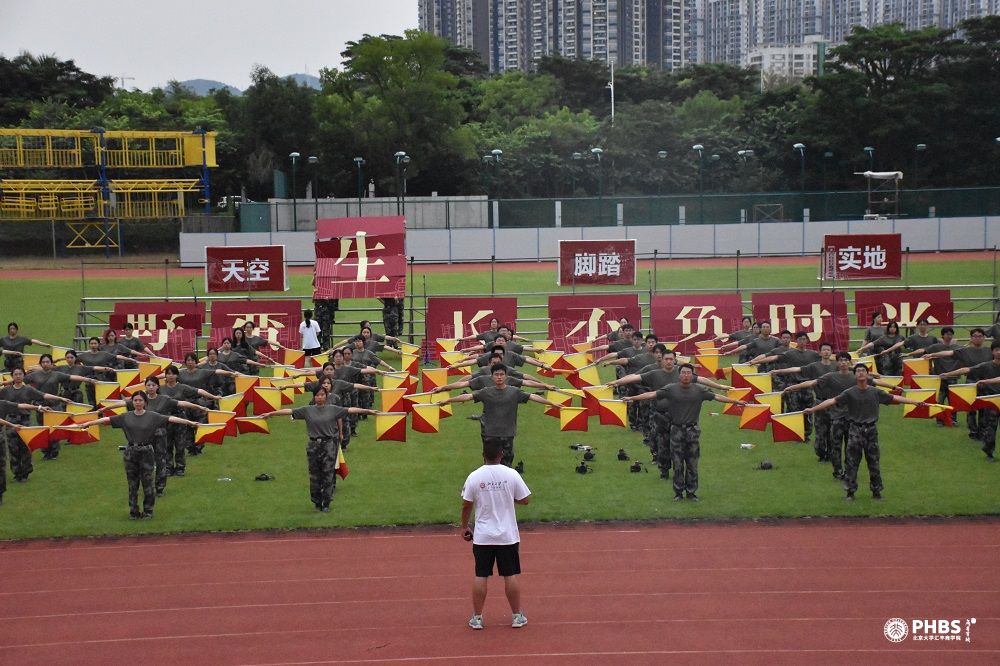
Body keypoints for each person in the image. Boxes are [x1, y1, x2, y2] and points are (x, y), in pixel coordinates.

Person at [805, 364, 930, 500]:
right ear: (855, 375)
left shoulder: (875, 392)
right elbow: (831, 401)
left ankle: (876, 492)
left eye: (863, 371)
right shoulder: (849, 392)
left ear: (867, 374)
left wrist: (915, 402)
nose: (860, 373)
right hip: (855, 430)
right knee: (852, 463)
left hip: (871, 430)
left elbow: (895, 399)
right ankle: (850, 492)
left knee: (874, 462)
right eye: (857, 371)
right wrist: (813, 410)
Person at [625, 363, 747, 501]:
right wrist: (632, 398)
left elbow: (717, 397)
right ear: (679, 374)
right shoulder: (671, 389)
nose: (686, 375)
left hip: (692, 430)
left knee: (692, 464)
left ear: (692, 375)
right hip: (676, 429)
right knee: (677, 464)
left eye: (689, 373)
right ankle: (678, 493)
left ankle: (691, 492)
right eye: (683, 373)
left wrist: (735, 401)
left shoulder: (699, 390)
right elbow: (652, 394)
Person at [72, 391, 199, 519]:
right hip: (131, 452)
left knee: (147, 483)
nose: (138, 403)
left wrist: (190, 423)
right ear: (132, 402)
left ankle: (148, 512)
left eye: (140, 400)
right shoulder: (125, 417)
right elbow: (106, 420)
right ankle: (133, 511)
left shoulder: (153, 416)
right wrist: (89, 423)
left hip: (147, 452)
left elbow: (171, 419)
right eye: (135, 400)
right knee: (132, 484)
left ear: (145, 402)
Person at [263, 387, 376, 512]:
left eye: (322, 395)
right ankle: (317, 502)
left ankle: (326, 503)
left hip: (329, 445)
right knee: (314, 476)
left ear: (326, 396)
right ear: (314, 397)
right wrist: (270, 414)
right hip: (313, 446)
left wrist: (369, 411)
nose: (320, 397)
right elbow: (289, 411)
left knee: (328, 474)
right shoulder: (307, 410)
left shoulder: (333, 409)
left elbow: (351, 410)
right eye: (317, 395)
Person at [460, 436, 531, 630]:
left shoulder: (474, 476)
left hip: (483, 536)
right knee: (510, 574)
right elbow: (525, 499)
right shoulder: (511, 474)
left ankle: (477, 617)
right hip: (507, 535)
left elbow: (466, 504)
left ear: (483, 455)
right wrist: (510, 497)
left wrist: (464, 526)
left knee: (481, 575)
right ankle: (517, 615)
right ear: (502, 454)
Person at [436, 363, 563, 467]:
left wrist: (551, 403)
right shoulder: (485, 392)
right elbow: (467, 396)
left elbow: (533, 396)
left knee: (506, 464)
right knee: (489, 464)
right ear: (492, 377)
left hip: (507, 433)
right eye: (496, 375)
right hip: (490, 433)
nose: (499, 377)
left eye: (502, 374)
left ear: (506, 376)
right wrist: (448, 400)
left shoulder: (514, 392)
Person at [103, 376, 210, 496]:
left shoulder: (164, 399)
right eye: (148, 385)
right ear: (145, 387)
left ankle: (159, 487)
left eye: (153, 385)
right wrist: (105, 408)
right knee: (145, 462)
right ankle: (145, 486)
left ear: (157, 386)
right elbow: (121, 403)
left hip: (160, 434)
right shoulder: (140, 400)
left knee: (160, 460)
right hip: (144, 436)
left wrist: (199, 407)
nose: (151, 387)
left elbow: (182, 403)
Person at [0, 367, 66, 482]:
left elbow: (44, 395)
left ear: (23, 375)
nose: (18, 376)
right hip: (11, 421)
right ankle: (17, 473)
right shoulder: (5, 391)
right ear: (12, 376)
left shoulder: (28, 390)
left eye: (20, 374)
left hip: (25, 420)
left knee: (25, 447)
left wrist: (60, 398)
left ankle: (25, 473)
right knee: (13, 448)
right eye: (15, 374)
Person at [924, 328, 991, 439]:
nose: (977, 338)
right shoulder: (965, 351)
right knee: (971, 408)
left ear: (984, 338)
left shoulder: (989, 351)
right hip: (971, 382)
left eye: (980, 336)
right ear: (971, 338)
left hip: (987, 383)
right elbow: (948, 353)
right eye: (975, 336)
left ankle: (983, 431)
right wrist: (932, 355)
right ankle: (973, 432)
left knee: (985, 409)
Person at [940, 339, 1000, 462]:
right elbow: (966, 370)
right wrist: (947, 374)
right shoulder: (986, 366)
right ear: (992, 352)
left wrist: (986, 381)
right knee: (990, 428)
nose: (999, 352)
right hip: (991, 401)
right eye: (997, 350)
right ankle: (989, 452)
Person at [0, 399, 49, 504]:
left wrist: (38, 408)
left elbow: (20, 405)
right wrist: (12, 425)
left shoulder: (3, 404)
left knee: (1, 467)